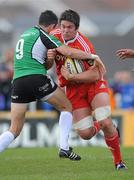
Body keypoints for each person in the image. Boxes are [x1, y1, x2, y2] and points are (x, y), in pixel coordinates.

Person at [0, 10, 104, 176]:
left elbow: (43, 63)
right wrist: (92, 56)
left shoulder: (25, 35)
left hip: (17, 83)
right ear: (52, 26)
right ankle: (64, 148)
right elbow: (68, 51)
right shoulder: (43, 34)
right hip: (35, 78)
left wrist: (51, 59)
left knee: (14, 128)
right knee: (67, 106)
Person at [50, 9, 127, 170]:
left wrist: (72, 77)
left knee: (105, 121)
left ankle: (119, 162)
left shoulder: (85, 46)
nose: (65, 30)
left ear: (76, 28)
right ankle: (104, 124)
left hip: (93, 85)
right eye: (63, 26)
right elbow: (47, 61)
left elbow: (95, 74)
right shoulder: (53, 36)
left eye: (69, 27)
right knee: (85, 134)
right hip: (73, 91)